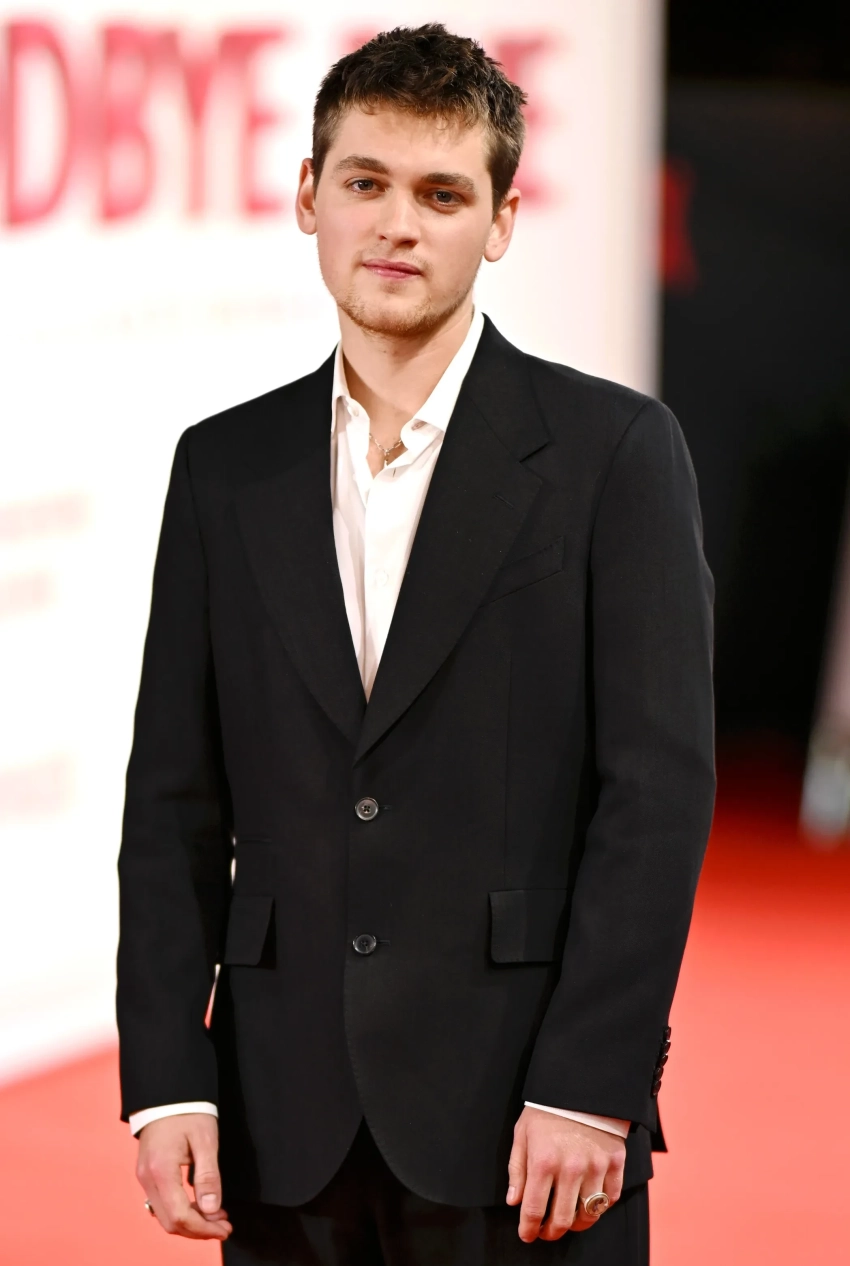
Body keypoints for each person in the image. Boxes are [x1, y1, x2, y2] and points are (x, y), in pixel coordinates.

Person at [116, 24, 715, 1266]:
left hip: (522, 1116)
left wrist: (590, 1082)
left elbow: (656, 794)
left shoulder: (613, 455)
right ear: (308, 196)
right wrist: (168, 1077)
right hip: (280, 1119)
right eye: (365, 182)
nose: (397, 225)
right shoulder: (223, 467)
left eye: (442, 194)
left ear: (499, 222)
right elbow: (172, 798)